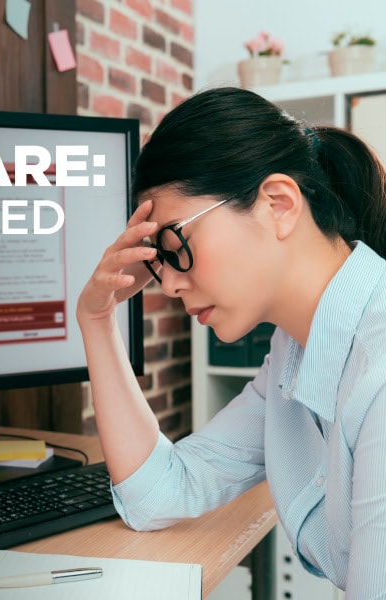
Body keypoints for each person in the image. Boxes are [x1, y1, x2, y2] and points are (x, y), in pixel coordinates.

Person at [76, 86, 386, 598]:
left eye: (175, 247)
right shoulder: (294, 354)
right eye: (157, 262)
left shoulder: (377, 373)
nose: (169, 285)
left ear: (278, 205)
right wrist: (97, 319)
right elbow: (159, 494)